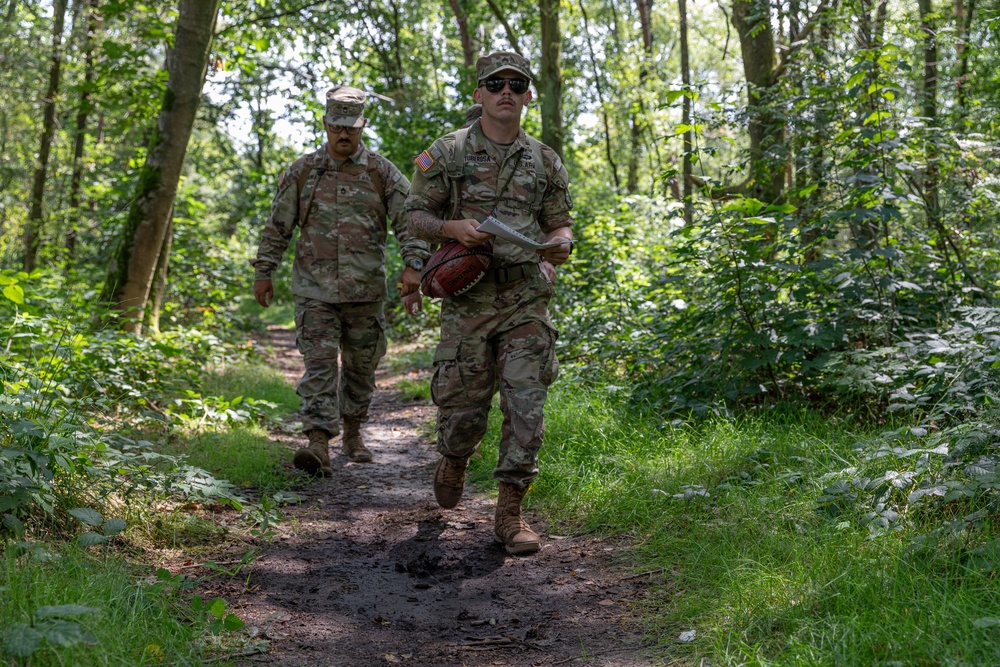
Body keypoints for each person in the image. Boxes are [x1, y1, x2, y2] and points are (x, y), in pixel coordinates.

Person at [405, 52, 574, 555]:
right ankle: (453, 458)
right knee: (465, 413)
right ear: (478, 94)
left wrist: (561, 243)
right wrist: (450, 229)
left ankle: (510, 513)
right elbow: (415, 215)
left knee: (527, 400)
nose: (506, 91)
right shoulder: (449, 152)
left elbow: (558, 221)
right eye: (494, 83)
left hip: (526, 295)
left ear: (526, 96)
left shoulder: (544, 160)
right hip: (468, 300)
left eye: (516, 84)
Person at [251, 85, 430, 475]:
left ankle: (353, 432)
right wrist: (264, 271)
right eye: (337, 126)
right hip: (314, 291)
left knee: (361, 367)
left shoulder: (382, 172)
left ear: (362, 125)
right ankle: (318, 442)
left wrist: (413, 265)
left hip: (366, 291)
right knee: (319, 365)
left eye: (350, 127)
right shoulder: (303, 172)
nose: (343, 134)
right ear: (325, 123)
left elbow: (409, 222)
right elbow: (278, 227)